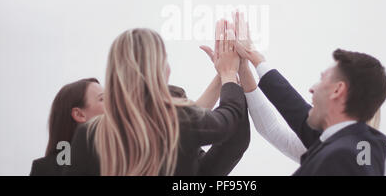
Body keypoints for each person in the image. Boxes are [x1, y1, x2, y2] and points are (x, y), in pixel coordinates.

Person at [63, 27, 249, 176]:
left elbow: (196, 117)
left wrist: (222, 75)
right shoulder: (176, 120)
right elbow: (228, 119)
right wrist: (229, 73)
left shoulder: (89, 133)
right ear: (158, 66)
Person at [231, 11, 386, 175]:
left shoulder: (354, 154)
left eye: (323, 79)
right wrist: (246, 65)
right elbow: (280, 124)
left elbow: (296, 113)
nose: (312, 88)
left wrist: (251, 60)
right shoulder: (335, 144)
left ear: (338, 90)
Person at [30, 78, 104, 176]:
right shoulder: (45, 170)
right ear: (79, 114)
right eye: (102, 99)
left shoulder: (125, 158)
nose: (114, 103)